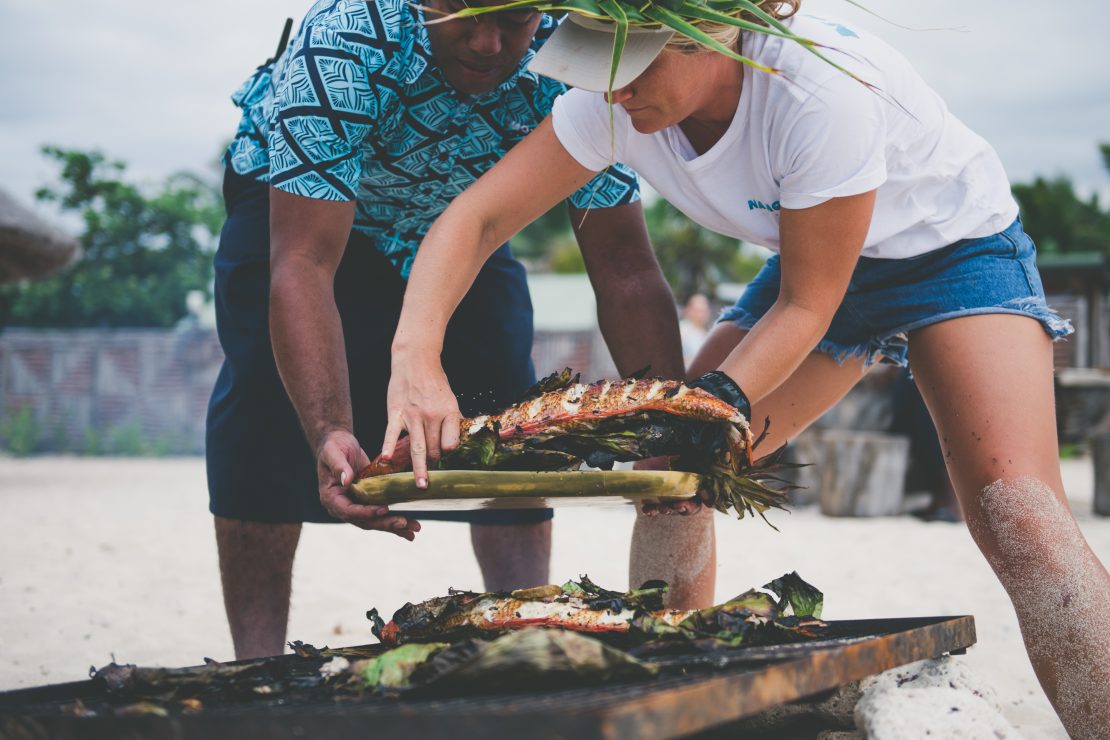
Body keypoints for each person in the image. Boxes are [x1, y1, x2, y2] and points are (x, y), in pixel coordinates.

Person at [377, 2, 1110, 735]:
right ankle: (672, 710)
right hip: (812, 262)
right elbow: (475, 219)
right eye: (603, 67)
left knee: (1021, 517)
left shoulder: (819, 88)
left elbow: (807, 307)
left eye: (635, 66)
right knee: (675, 477)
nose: (615, 91)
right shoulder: (605, 102)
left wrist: (716, 399)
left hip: (949, 254)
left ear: (711, 36)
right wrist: (414, 355)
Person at [206, 0, 678, 660]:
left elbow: (625, 264)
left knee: (513, 411)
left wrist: (668, 428)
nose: (488, 44)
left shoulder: (586, 55)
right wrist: (328, 427)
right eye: (466, 17)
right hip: (301, 207)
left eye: (514, 22)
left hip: (461, 216)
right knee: (264, 411)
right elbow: (304, 264)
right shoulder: (346, 41)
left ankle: (528, 638)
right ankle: (255, 663)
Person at [678, 292, 712, 367]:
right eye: (698, 311)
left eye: (704, 311)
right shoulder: (682, 330)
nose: (701, 315)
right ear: (688, 310)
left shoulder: (706, 333)